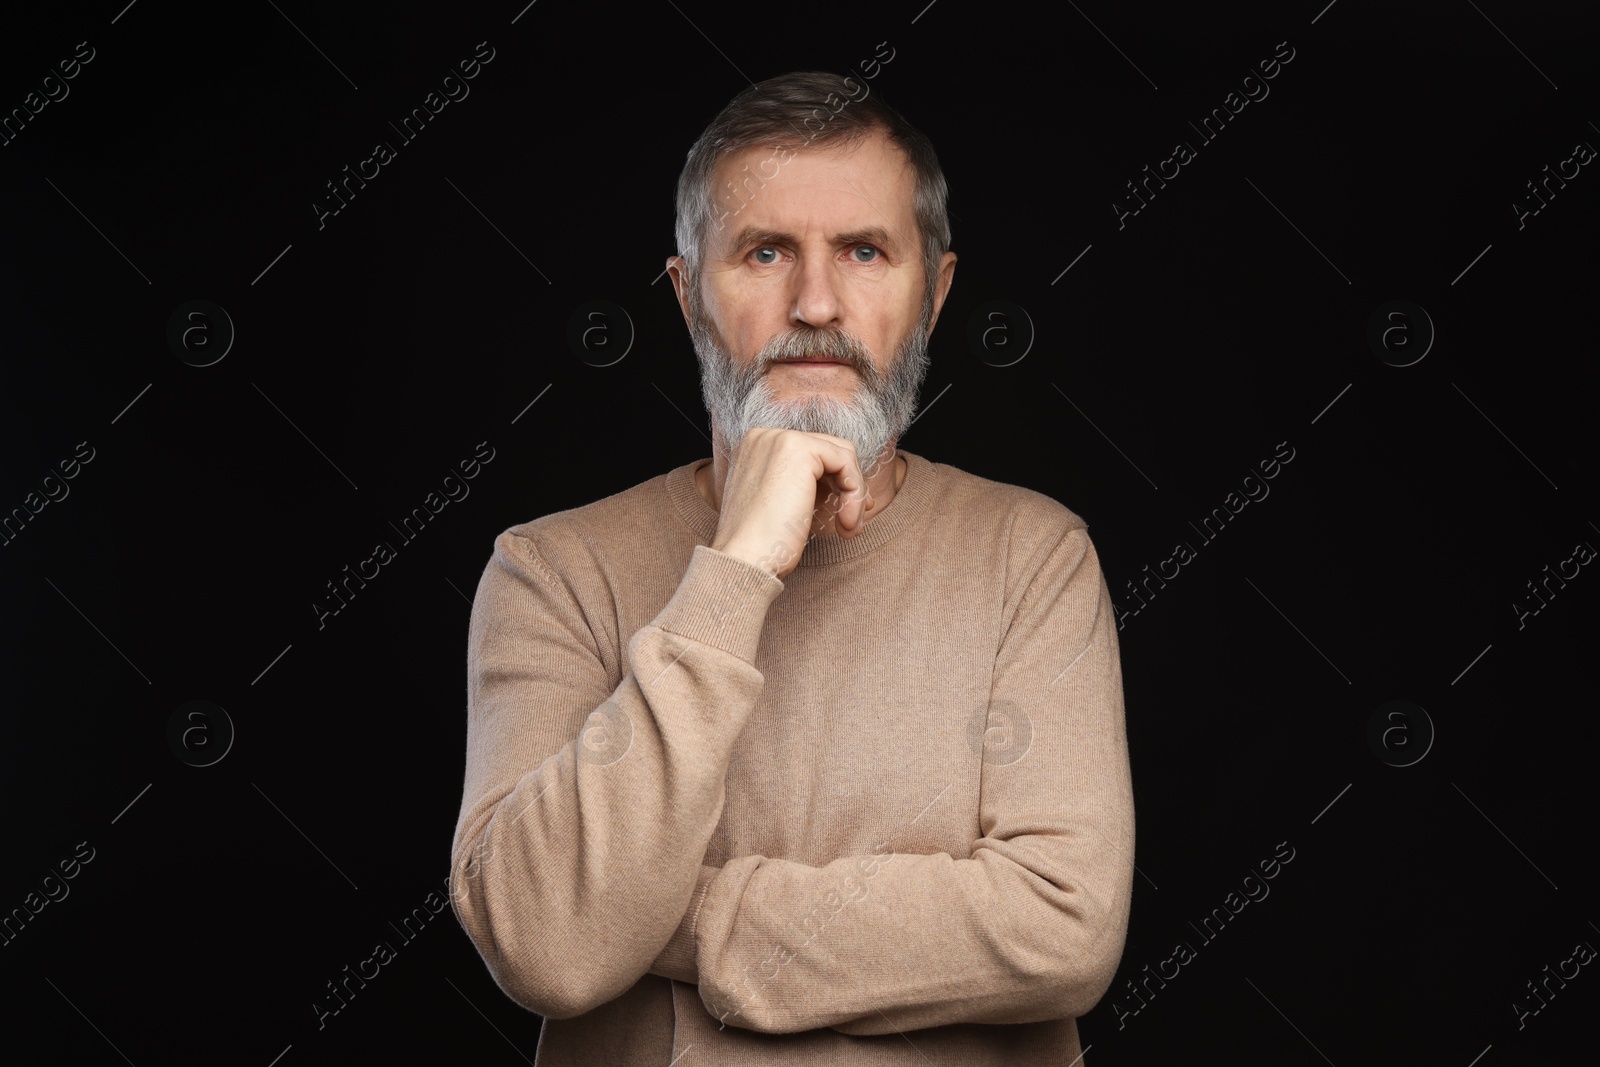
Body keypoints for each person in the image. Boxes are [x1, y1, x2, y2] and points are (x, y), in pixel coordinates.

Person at [449, 70, 1135, 1065]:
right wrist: (733, 568)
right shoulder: (551, 571)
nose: (813, 302)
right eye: (764, 251)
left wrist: (668, 916)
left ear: (933, 293)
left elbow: (1062, 927)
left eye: (863, 251)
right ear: (689, 297)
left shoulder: (1033, 557)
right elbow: (550, 944)